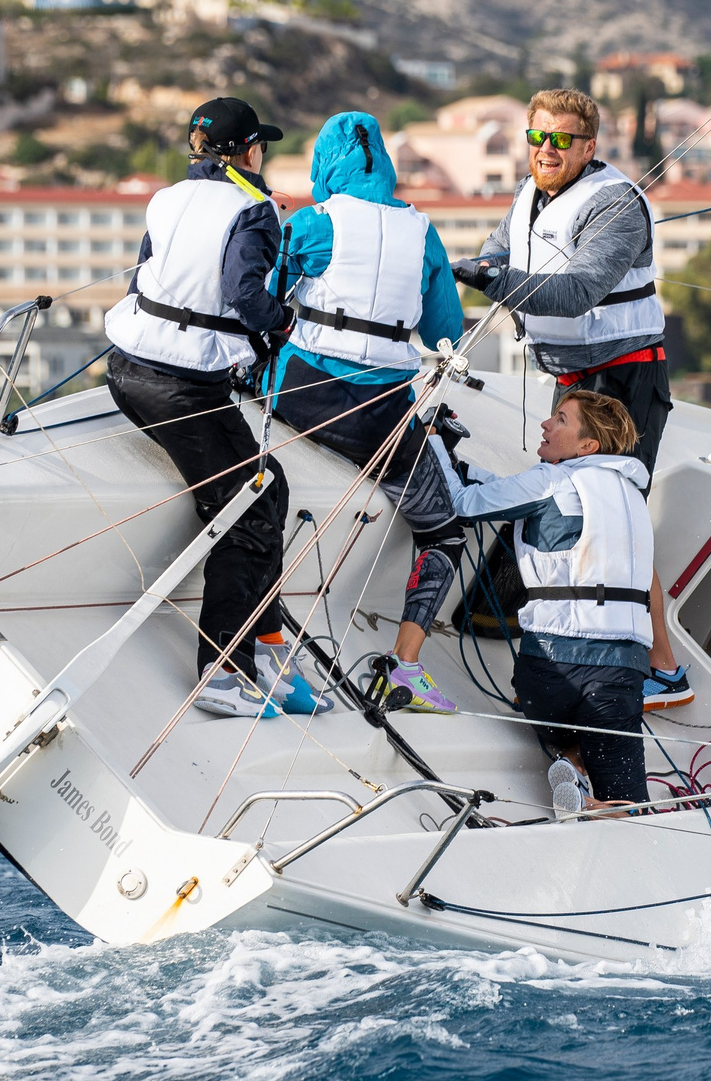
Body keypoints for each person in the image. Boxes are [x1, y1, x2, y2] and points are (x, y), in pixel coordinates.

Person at [454, 87, 693, 710]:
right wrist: (476, 269)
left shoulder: (614, 205)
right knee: (551, 486)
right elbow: (496, 251)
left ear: (589, 147)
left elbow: (580, 291)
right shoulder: (529, 196)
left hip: (624, 380)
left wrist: (494, 280)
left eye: (562, 140)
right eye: (537, 137)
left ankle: (665, 670)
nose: (547, 150)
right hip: (572, 378)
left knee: (614, 513)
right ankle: (494, 613)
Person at [101, 95, 323, 719]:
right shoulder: (254, 209)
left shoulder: (165, 196)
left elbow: (147, 273)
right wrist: (283, 325)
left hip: (125, 368)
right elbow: (243, 294)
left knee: (264, 487)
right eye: (262, 146)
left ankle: (268, 644)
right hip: (178, 386)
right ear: (248, 150)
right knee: (255, 502)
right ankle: (223, 673)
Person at [262, 111, 470, 714]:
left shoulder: (311, 222)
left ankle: (263, 637)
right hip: (379, 417)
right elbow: (444, 329)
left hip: (295, 396)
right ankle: (406, 667)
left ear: (324, 165)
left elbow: (263, 299)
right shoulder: (421, 232)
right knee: (443, 529)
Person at [438, 388, 656, 817]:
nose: (545, 424)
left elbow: (462, 503)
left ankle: (570, 761)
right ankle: (602, 802)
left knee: (558, 722)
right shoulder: (632, 496)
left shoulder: (555, 479)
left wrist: (432, 446)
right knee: (630, 799)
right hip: (623, 670)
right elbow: (506, 489)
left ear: (586, 446)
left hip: (553, 665)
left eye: (560, 419)